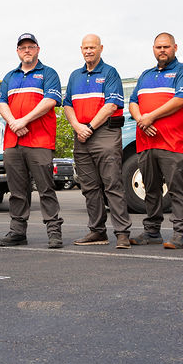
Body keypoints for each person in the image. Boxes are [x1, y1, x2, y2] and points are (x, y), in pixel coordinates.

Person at [128, 32, 183, 249]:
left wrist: (151, 117)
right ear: (153, 49)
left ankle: (181, 233)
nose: (162, 50)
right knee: (151, 188)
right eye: (158, 47)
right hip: (146, 142)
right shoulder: (145, 75)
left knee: (177, 189)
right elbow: (133, 101)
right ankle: (152, 232)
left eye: (166, 47)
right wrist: (141, 119)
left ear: (175, 47)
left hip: (173, 142)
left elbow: (180, 100)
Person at [0, 33, 64, 249]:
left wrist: (23, 120)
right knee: (17, 191)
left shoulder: (48, 73)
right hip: (13, 143)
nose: (26, 50)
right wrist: (14, 123)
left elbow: (51, 100)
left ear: (37, 49)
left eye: (30, 47)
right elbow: (1, 103)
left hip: (40, 141)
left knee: (46, 189)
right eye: (22, 47)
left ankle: (54, 232)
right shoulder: (10, 76)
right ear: (17, 51)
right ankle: (17, 231)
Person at [62, 34, 131, 249]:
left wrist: (90, 127)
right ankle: (97, 231)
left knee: (112, 184)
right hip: (81, 135)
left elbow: (112, 104)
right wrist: (77, 127)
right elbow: (67, 104)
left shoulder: (110, 73)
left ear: (101, 48)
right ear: (81, 49)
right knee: (89, 187)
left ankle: (122, 233)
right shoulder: (75, 76)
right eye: (85, 48)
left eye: (93, 47)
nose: (89, 51)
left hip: (104, 134)